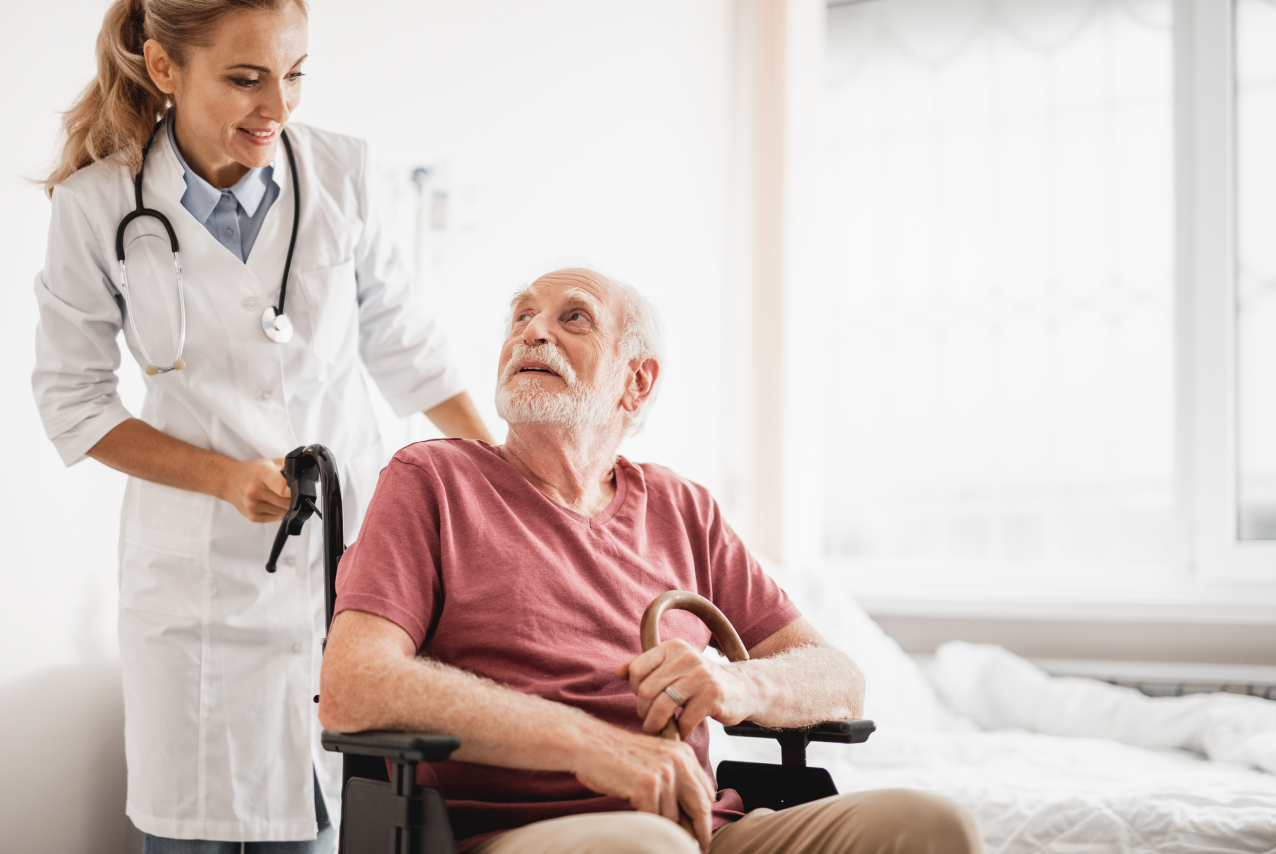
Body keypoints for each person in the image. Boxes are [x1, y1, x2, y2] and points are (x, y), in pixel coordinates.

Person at [31, 0, 494, 850]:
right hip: (195, 584)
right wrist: (222, 476)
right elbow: (74, 402)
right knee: (188, 833)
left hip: (347, 572)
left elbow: (405, 345)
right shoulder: (99, 207)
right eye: (246, 79)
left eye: (294, 74)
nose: (278, 107)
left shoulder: (340, 174)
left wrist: (507, 483)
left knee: (325, 824)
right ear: (165, 69)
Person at [318, 268, 984, 854]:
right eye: (521, 316)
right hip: (521, 836)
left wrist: (735, 686)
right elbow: (353, 684)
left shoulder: (682, 507)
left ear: (636, 382)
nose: (531, 332)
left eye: (571, 318)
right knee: (643, 847)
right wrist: (593, 746)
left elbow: (837, 678)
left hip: (703, 829)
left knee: (930, 827)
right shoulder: (433, 479)